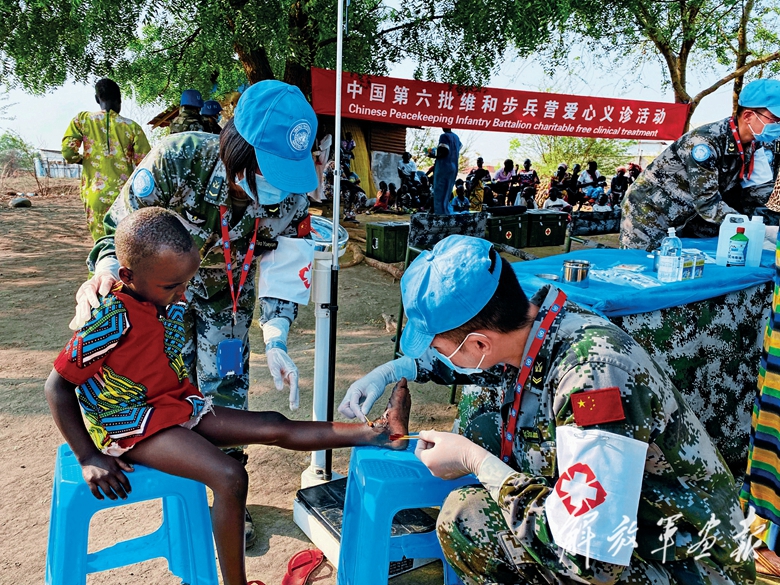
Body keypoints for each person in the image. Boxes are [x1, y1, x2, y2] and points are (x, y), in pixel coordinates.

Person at [341, 235, 754, 585]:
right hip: (635, 529)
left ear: (479, 343)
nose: (437, 354)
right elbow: (483, 367)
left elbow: (592, 560)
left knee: (469, 519)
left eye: (438, 346)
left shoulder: (593, 377)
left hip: (685, 562)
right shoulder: (537, 326)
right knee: (485, 424)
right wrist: (392, 371)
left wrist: (477, 462)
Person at [45, 207, 412, 585]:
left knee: (273, 424)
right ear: (127, 276)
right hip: (130, 423)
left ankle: (380, 433)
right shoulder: (110, 317)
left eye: (186, 283)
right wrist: (88, 456)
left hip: (172, 406)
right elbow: (57, 386)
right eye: (172, 286)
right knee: (229, 476)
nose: (182, 293)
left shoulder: (162, 296)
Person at [68, 80, 320, 548]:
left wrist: (276, 338)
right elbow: (120, 229)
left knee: (226, 390)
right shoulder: (178, 158)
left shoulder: (293, 195)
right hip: (160, 297)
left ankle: (228, 496)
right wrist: (106, 272)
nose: (279, 187)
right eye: (269, 170)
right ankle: (183, 490)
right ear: (238, 149)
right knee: (164, 386)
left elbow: (287, 269)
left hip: (229, 299)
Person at [620, 78, 780, 251]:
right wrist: (750, 227)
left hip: (690, 216)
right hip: (650, 212)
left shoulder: (757, 146)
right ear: (748, 116)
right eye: (775, 119)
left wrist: (770, 225)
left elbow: (758, 194)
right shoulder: (704, 143)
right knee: (639, 263)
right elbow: (707, 203)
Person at [61, 78, 151, 241]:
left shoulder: (82, 120)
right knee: (125, 243)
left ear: (97, 99)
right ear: (120, 100)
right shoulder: (132, 127)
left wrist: (83, 160)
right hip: (124, 197)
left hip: (95, 194)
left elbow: (68, 152)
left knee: (101, 244)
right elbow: (145, 163)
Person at [432, 128, 462, 214]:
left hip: (444, 166)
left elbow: (444, 151)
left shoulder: (444, 136)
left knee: (440, 191)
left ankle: (441, 212)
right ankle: (446, 210)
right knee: (447, 191)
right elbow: (459, 147)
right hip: (453, 166)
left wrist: (433, 154)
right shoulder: (456, 137)